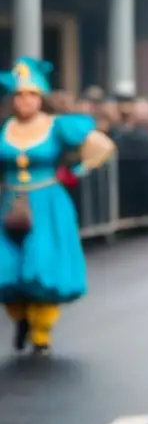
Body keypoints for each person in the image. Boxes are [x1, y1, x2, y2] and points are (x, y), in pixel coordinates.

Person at [0, 57, 114, 354]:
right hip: (10, 202)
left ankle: (41, 330)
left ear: (41, 97)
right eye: (19, 95)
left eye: (31, 94)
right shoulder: (5, 128)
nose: (24, 101)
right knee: (7, 266)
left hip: (47, 202)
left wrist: (76, 170)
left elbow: (101, 146)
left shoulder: (56, 126)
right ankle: (20, 317)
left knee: (42, 262)